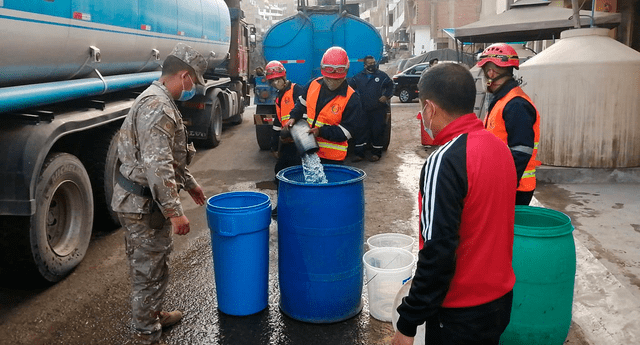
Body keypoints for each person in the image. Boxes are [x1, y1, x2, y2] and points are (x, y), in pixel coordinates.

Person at [392, 63, 517, 345]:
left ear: (430, 108)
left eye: (421, 109)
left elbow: (438, 251)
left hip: (460, 313)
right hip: (499, 301)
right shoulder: (499, 148)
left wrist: (407, 322)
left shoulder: (445, 161)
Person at [111, 43, 207, 345]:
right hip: (144, 205)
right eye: (194, 81)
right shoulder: (159, 106)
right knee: (148, 271)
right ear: (184, 75)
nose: (194, 88)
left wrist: (190, 183)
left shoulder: (157, 99)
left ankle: (153, 315)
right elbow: (158, 164)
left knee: (155, 263)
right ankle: (146, 333)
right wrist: (174, 212)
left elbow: (169, 156)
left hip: (142, 201)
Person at [477, 43, 541, 205]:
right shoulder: (502, 100)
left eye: (485, 71)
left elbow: (521, 152)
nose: (485, 77)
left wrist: (503, 185)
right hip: (505, 181)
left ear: (492, 72)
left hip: (514, 187)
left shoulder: (516, 104)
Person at [287, 46, 364, 165]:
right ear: (323, 71)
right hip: (308, 149)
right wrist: (293, 117)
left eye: (337, 80)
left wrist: (321, 132)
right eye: (329, 79)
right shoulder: (312, 85)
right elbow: (301, 104)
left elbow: (347, 132)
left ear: (345, 73)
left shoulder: (351, 98)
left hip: (332, 158)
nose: (333, 82)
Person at [265, 60, 303, 217]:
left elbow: (305, 114)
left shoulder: (296, 90)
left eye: (277, 79)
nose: (275, 83)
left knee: (297, 175)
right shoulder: (279, 97)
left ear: (284, 76)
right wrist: (274, 145)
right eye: (272, 81)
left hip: (298, 142)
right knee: (280, 171)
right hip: (286, 142)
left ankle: (296, 209)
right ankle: (282, 206)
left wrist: (294, 133)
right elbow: (277, 122)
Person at [348, 55, 393, 162]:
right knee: (361, 131)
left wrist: (386, 96)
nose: (372, 65)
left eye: (374, 63)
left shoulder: (382, 76)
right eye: (370, 64)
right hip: (363, 110)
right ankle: (360, 154)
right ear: (365, 65)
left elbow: (391, 85)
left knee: (377, 131)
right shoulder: (358, 77)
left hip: (378, 109)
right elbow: (348, 88)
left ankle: (376, 154)